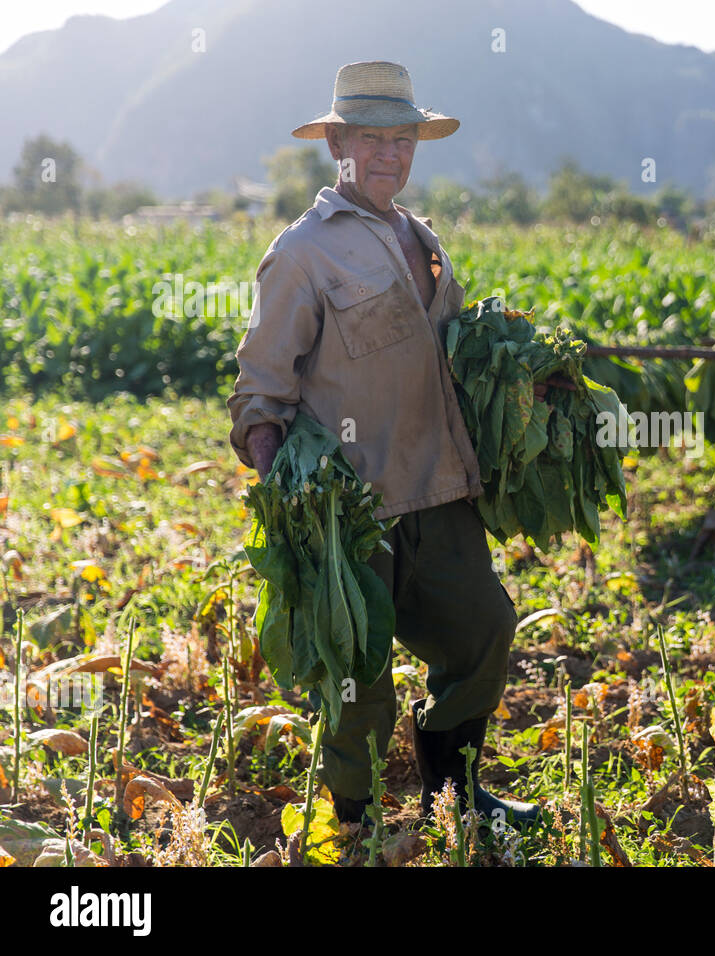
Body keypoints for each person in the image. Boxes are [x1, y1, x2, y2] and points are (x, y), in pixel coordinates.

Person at [227, 61, 541, 843]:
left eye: (402, 140)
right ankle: (356, 823)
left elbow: (452, 351)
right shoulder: (301, 253)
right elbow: (260, 391)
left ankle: (457, 791)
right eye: (372, 139)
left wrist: (524, 377)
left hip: (440, 485)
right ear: (337, 142)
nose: (390, 156)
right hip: (354, 505)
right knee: (358, 674)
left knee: (485, 632)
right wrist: (290, 496)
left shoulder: (421, 236)